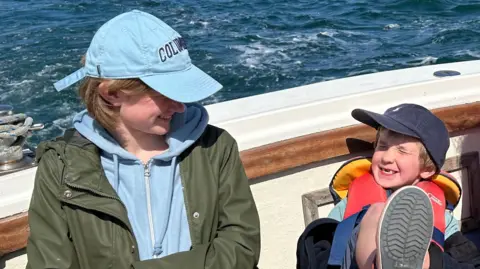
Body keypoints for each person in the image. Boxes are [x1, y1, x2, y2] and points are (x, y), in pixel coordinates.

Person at [26, 10, 260, 269]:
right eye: (166, 93)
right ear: (112, 93)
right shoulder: (60, 166)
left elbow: (242, 245)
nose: (180, 106)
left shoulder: (215, 147)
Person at [296, 103, 480, 269]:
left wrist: (431, 261)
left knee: (432, 254)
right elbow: (328, 245)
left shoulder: (440, 214)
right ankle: (379, 261)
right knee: (376, 212)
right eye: (382, 146)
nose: (386, 157)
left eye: (401, 150)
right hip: (353, 263)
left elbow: (466, 258)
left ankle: (411, 262)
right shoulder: (349, 202)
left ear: (427, 168)